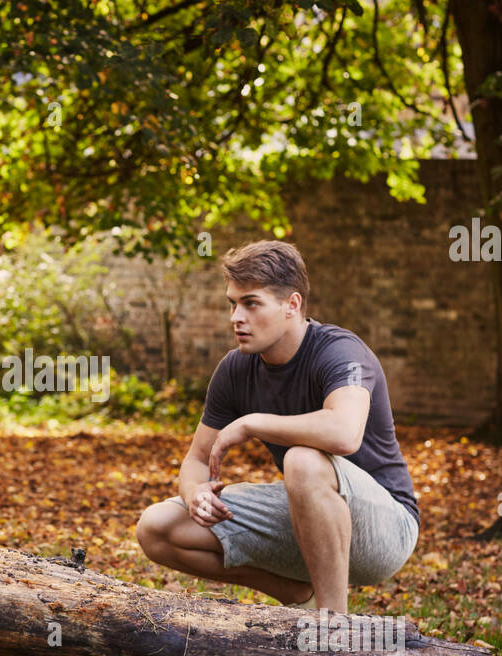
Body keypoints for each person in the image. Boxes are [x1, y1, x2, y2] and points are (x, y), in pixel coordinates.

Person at [135, 240, 420, 614]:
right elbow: (197, 460)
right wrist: (195, 495)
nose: (236, 317)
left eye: (251, 303)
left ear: (292, 305)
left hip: (385, 528)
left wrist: (253, 423)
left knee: (301, 461)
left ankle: (332, 627)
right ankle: (300, 598)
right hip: (309, 517)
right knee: (156, 528)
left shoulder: (339, 351)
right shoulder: (235, 370)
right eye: (233, 304)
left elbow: (344, 432)